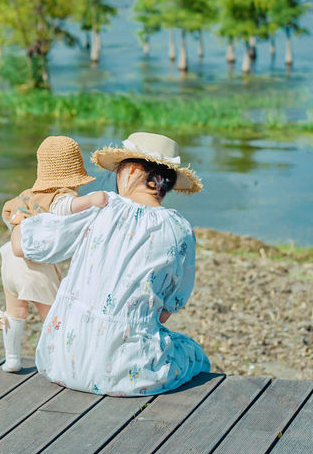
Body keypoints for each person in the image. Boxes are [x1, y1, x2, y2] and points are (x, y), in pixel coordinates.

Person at [11, 131, 210, 395]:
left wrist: (23, 217)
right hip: (130, 374)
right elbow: (168, 307)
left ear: (129, 172)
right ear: (166, 184)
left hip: (60, 360)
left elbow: (21, 243)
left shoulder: (101, 207)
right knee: (193, 353)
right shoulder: (180, 229)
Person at [0, 135, 108, 372]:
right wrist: (91, 200)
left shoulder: (26, 196)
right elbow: (63, 208)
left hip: (9, 262)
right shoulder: (60, 196)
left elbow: (9, 218)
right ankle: (60, 359)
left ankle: (12, 358)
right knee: (52, 315)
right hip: (35, 267)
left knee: (15, 312)